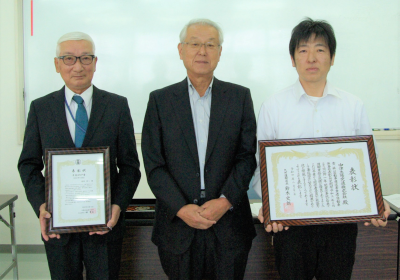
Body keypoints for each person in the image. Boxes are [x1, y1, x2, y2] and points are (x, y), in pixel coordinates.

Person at [253, 18, 390, 280]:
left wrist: (374, 199)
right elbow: (263, 165)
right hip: (290, 227)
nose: (311, 57)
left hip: (340, 226)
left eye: (320, 49)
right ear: (293, 59)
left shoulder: (352, 105)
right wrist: (271, 207)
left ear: (332, 57)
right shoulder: (273, 106)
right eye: (303, 50)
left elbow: (366, 162)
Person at [18, 32, 141, 279]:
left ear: (95, 63)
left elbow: (129, 166)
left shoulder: (116, 106)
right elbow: (29, 164)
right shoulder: (41, 108)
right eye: (68, 58)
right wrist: (41, 206)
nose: (78, 66)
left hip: (105, 227)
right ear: (57, 64)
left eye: (85, 58)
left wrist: (117, 205)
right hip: (59, 228)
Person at [141, 19, 257, 280]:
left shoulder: (239, 97)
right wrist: (181, 208)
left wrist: (225, 201)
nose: (202, 51)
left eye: (210, 44)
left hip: (228, 225)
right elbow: (153, 164)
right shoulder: (160, 100)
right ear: (181, 50)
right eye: (194, 44)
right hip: (177, 227)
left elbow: (246, 157)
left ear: (220, 52)